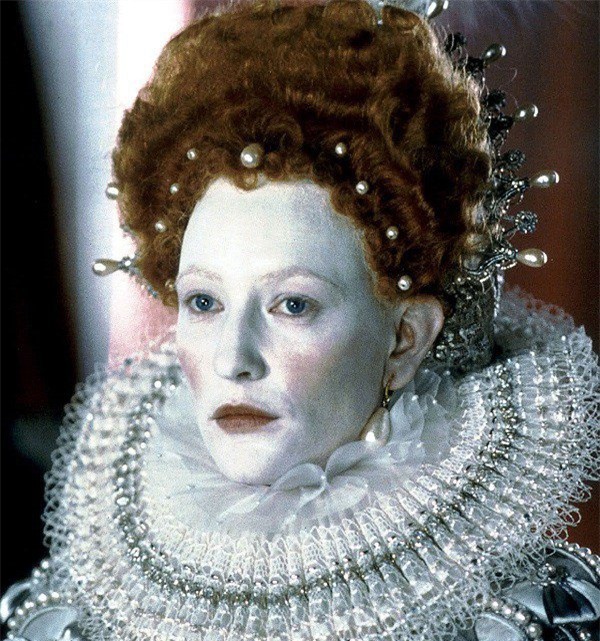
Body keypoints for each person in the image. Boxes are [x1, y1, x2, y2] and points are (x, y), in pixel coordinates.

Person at [2, 0, 598, 640]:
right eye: (204, 302)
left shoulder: (515, 618)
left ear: (404, 340)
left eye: (293, 305)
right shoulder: (70, 612)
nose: (234, 359)